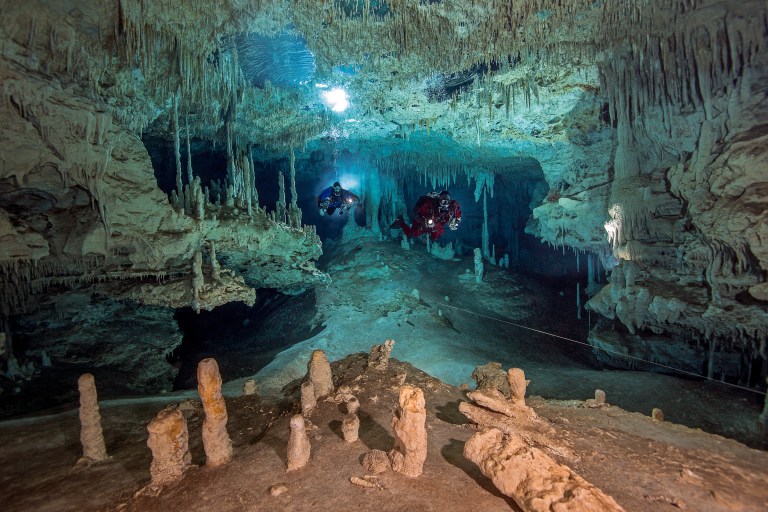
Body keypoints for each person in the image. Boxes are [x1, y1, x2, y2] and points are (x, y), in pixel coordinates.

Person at [390, 190, 461, 241]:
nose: (445, 204)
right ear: (439, 200)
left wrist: (456, 221)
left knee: (435, 236)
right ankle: (400, 221)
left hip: (437, 223)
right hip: (423, 221)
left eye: (447, 201)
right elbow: (418, 214)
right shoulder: (430, 205)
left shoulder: (453, 206)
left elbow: (458, 213)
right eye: (443, 201)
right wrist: (424, 222)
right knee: (411, 234)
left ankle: (427, 238)